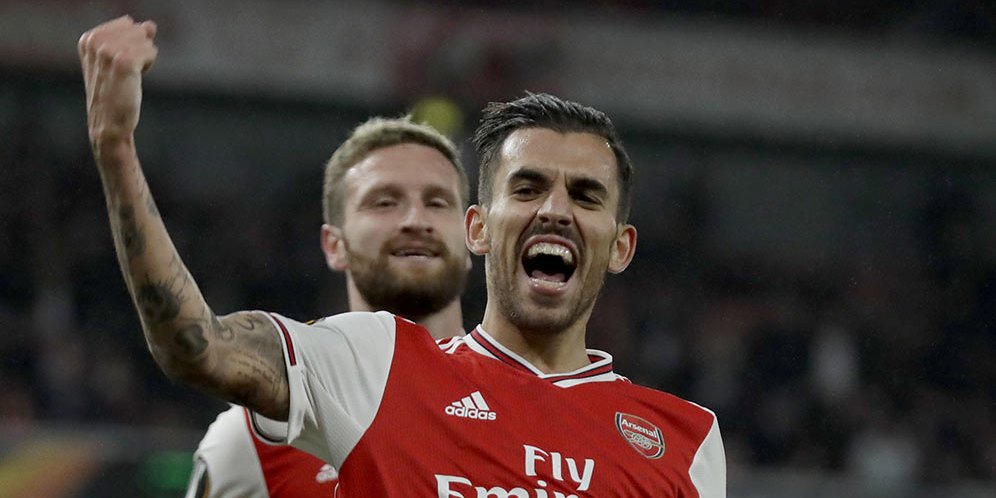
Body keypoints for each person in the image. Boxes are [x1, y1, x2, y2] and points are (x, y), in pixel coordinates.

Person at [79, 16, 726, 497]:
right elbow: (197, 347)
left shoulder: (687, 441)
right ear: (478, 229)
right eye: (527, 189)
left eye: (585, 195)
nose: (555, 210)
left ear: (621, 247)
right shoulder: (376, 362)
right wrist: (116, 150)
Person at [184, 116, 471, 498]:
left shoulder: (532, 402)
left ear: (473, 236)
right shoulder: (254, 440)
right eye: (385, 202)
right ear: (335, 245)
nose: (416, 220)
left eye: (437, 202)